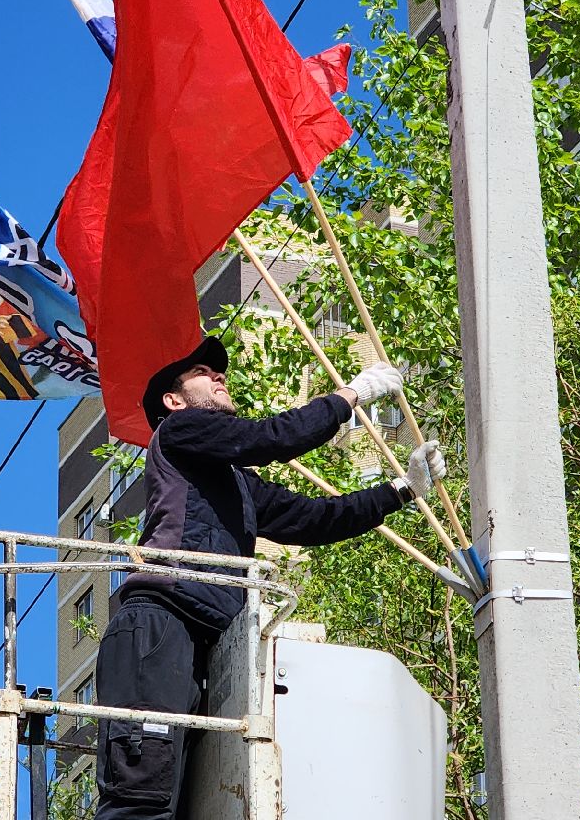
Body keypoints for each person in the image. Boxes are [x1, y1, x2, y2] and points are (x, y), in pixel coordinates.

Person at [91, 334, 446, 820]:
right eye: (202, 373)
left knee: (184, 800)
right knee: (142, 796)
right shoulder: (177, 432)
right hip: (160, 624)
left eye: (219, 372)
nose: (218, 376)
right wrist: (350, 397)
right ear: (174, 402)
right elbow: (271, 438)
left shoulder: (232, 480)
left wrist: (403, 490)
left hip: (203, 641)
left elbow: (312, 519)